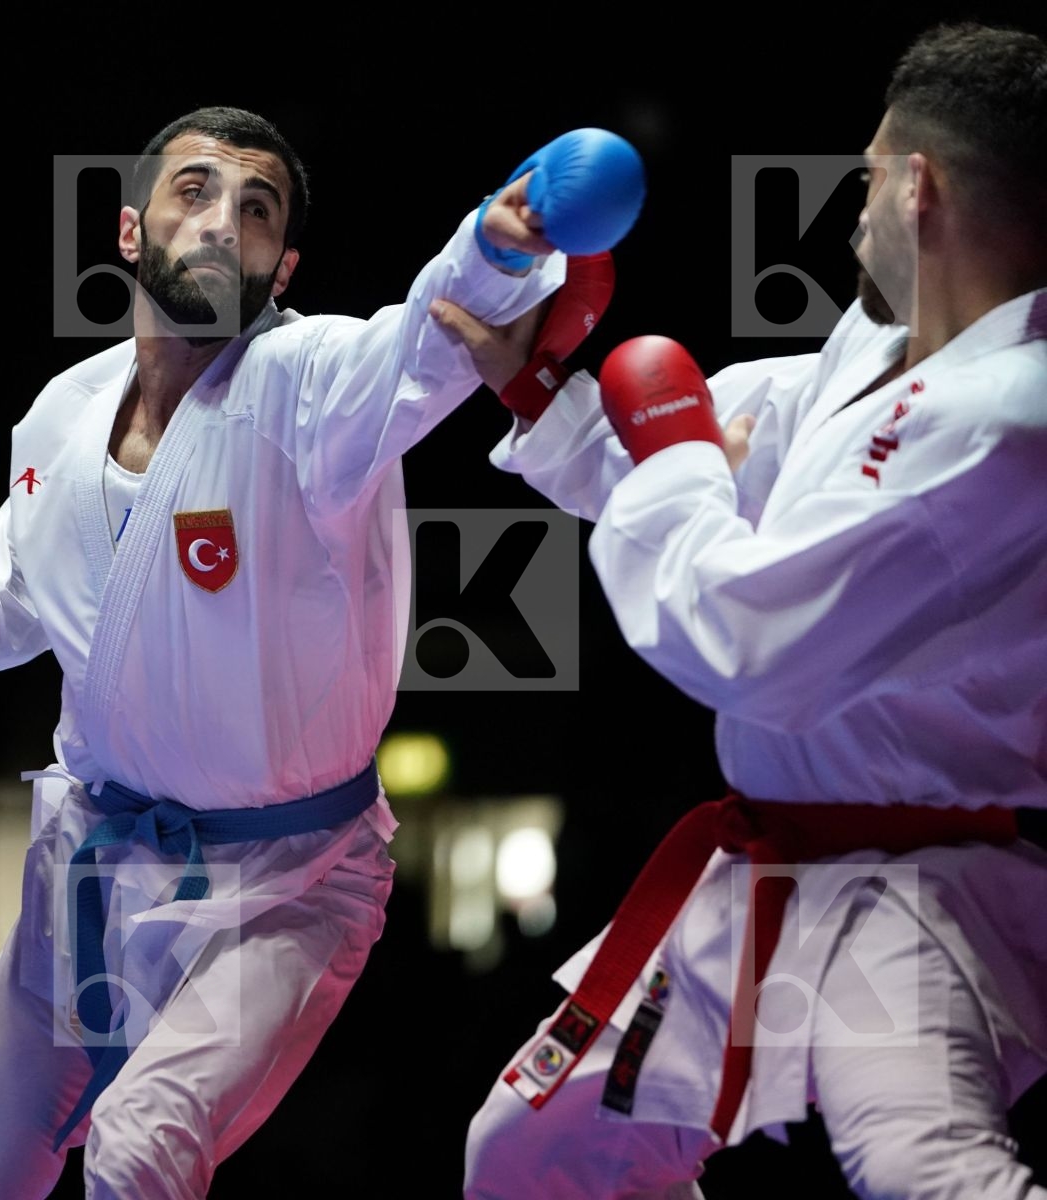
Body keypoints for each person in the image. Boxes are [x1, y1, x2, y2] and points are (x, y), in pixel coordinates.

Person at [0, 107, 640, 1198]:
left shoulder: (310, 387)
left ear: (284, 267)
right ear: (132, 232)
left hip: (285, 884)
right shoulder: (60, 417)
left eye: (257, 208)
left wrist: (502, 242)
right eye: (193, 192)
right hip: (88, 864)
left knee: (141, 1146)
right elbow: (28, 588)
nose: (223, 221)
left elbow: (425, 337)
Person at [431, 22, 1047, 1199]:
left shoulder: (1008, 421)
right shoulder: (878, 343)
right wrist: (541, 388)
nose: (853, 213)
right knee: (531, 1155)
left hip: (919, 890)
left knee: (926, 1171)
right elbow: (708, 460)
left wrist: (679, 459)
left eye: (867, 179)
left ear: (919, 189)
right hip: (766, 866)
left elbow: (744, 638)